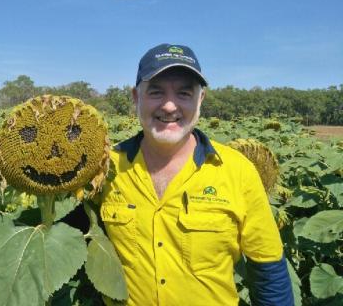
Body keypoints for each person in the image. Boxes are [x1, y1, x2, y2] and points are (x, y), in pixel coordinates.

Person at [99, 44, 293, 306]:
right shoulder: (104, 168)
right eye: (156, 92)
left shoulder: (238, 170)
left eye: (184, 93)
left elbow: (268, 273)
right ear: (136, 97)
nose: (169, 106)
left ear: (200, 99)